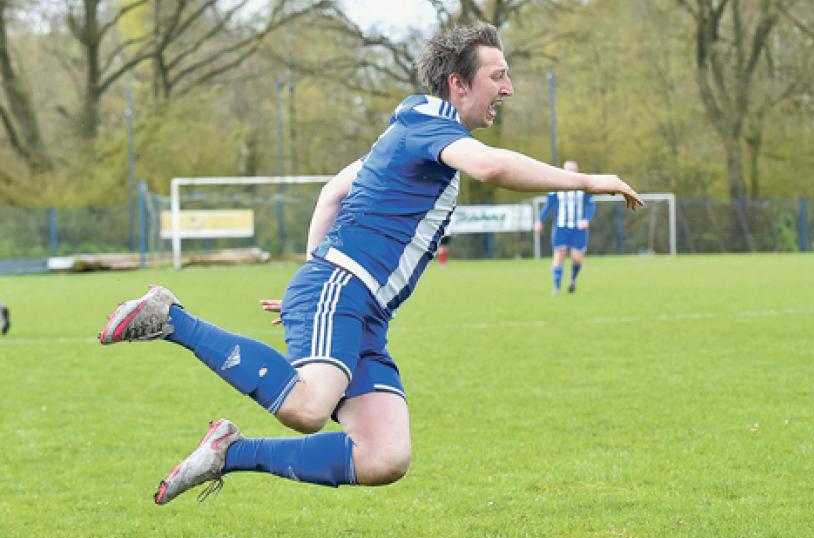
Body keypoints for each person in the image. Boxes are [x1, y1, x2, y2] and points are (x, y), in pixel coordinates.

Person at [97, 22, 642, 506]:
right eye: (497, 75)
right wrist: (591, 180)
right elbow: (492, 169)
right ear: (458, 82)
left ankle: (230, 453)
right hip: (345, 288)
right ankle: (172, 318)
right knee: (308, 408)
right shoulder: (431, 126)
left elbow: (332, 192)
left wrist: (311, 278)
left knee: (385, 457)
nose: (508, 88)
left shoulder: (412, 130)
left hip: (358, 309)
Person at [534, 160, 595, 294]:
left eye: (572, 170)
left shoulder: (583, 186)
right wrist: (539, 220)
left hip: (578, 229)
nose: (570, 172)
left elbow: (590, 204)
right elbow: (549, 205)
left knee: (577, 258)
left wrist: (586, 219)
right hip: (561, 227)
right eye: (567, 170)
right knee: (559, 254)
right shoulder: (556, 186)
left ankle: (572, 280)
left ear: (577, 171)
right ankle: (557, 287)